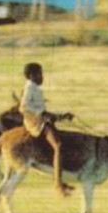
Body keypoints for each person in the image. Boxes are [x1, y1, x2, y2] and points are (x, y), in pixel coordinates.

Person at [19, 61, 73, 197]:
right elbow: (23, 107)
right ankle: (58, 184)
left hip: (41, 120)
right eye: (40, 74)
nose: (42, 77)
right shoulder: (30, 88)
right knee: (58, 146)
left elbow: (42, 110)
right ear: (32, 75)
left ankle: (60, 178)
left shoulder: (33, 87)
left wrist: (61, 116)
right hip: (37, 123)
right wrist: (41, 114)